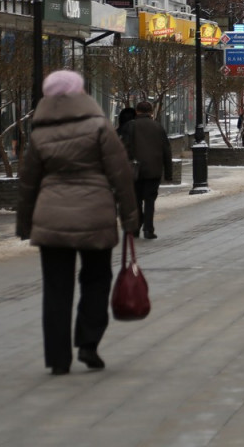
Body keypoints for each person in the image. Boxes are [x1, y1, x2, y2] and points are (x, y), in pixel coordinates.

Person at [16, 70, 139, 376]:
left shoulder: (39, 133)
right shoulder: (98, 126)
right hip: (94, 213)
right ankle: (88, 343)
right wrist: (130, 217)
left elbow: (28, 182)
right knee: (96, 280)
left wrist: (24, 224)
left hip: (51, 216)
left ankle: (58, 358)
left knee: (56, 288)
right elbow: (120, 174)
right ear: (81, 93)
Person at [119, 101, 172, 239]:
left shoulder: (130, 126)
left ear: (137, 111)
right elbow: (167, 150)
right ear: (151, 112)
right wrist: (168, 173)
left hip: (135, 170)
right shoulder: (158, 127)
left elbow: (124, 147)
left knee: (136, 200)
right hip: (154, 170)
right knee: (150, 200)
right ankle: (148, 229)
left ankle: (136, 228)